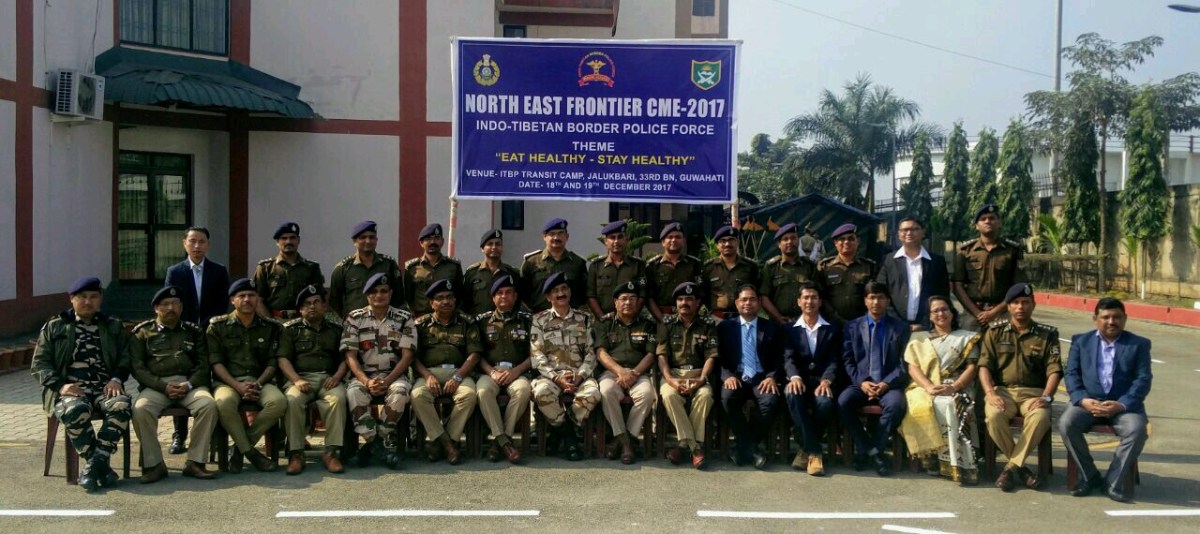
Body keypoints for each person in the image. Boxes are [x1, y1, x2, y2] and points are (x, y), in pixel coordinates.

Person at [31, 277, 133, 492]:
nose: (88, 302)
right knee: (75, 410)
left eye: (93, 297)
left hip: (105, 388)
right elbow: (39, 365)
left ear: (100, 299)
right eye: (82, 297)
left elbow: (125, 358)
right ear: (72, 299)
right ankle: (101, 467)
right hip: (70, 390)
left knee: (122, 405)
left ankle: (92, 467)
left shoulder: (112, 325)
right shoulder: (55, 326)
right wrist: (61, 386)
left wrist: (116, 379)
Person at [1059, 297, 1152, 503]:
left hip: (1124, 407)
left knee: (1137, 429)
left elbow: (1143, 380)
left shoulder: (1139, 344)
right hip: (1088, 404)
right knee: (1066, 424)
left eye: (1117, 317)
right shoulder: (1081, 342)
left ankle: (1112, 481)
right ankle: (1089, 475)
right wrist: (1082, 400)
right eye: (1106, 317)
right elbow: (1071, 374)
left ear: (1125, 318)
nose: (1111, 322)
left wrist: (1121, 404)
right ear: (1095, 319)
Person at [977, 283, 1061, 492]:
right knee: (993, 416)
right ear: (1008, 307)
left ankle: (1010, 468)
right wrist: (990, 393)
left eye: (1025, 302)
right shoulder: (994, 332)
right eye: (1015, 303)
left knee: (1040, 417)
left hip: (1034, 394)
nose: (1020, 307)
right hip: (1003, 392)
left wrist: (1046, 397)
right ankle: (1021, 469)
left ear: (1033, 305)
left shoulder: (1047, 334)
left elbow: (1054, 370)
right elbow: (984, 366)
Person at [130, 286, 218, 483]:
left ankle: (195, 462)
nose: (171, 308)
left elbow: (203, 365)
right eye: (165, 304)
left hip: (190, 384)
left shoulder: (193, 331)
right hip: (157, 386)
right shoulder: (142, 332)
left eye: (175, 304)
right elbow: (138, 368)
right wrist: (163, 387)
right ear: (156, 308)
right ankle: (155, 465)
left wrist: (189, 385)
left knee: (208, 405)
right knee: (141, 409)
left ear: (181, 307)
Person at [897, 295, 981, 486]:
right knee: (919, 405)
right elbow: (913, 367)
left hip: (958, 385)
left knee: (952, 404)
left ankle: (960, 464)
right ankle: (931, 459)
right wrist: (928, 386)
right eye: (935, 311)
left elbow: (972, 367)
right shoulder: (919, 339)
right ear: (929, 316)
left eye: (944, 309)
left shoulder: (966, 337)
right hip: (927, 385)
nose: (941, 314)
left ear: (952, 312)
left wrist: (954, 387)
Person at [163, 226, 230, 454]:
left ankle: (214, 434)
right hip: (183, 333)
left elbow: (222, 304)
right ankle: (179, 434)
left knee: (212, 380)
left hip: (211, 332)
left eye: (201, 241)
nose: (197, 246)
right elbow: (170, 305)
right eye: (192, 241)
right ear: (184, 243)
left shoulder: (218, 271)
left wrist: (206, 326)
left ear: (208, 245)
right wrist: (188, 327)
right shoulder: (175, 272)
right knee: (182, 377)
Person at [208, 278, 285, 474]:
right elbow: (216, 363)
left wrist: (257, 383)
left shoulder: (271, 327)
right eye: (241, 296)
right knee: (224, 402)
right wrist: (237, 386)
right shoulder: (218, 326)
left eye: (251, 295)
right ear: (232, 300)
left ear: (257, 299)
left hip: (260, 381)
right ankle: (251, 453)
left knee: (278, 402)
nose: (247, 300)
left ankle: (239, 449)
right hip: (228, 382)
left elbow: (272, 362)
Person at [341, 273, 415, 469]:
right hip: (363, 376)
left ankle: (371, 446)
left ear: (390, 294)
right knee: (353, 392)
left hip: (394, 375)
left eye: (383, 291)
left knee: (400, 392)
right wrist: (366, 381)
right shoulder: (355, 318)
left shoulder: (404, 318)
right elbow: (350, 356)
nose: (379, 295)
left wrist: (387, 381)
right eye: (373, 292)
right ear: (367, 296)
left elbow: (407, 356)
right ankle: (379, 447)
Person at [838, 281, 911, 477]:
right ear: (865, 301)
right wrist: (861, 382)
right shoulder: (852, 327)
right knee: (843, 402)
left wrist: (886, 383)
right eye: (871, 297)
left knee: (896, 405)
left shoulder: (901, 328)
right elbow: (848, 360)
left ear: (888, 301)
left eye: (880, 298)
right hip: (861, 383)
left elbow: (904, 363)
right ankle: (870, 448)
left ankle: (871, 450)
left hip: (889, 384)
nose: (876, 302)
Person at [530, 272, 600, 461]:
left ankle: (557, 432)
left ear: (569, 292)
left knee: (593, 393)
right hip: (551, 376)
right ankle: (569, 435)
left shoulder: (584, 318)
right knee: (541, 392)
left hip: (579, 375)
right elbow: (537, 354)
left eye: (564, 289)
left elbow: (591, 352)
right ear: (548, 297)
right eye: (556, 291)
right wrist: (556, 378)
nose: (561, 293)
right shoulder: (539, 320)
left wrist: (580, 376)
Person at [277, 285, 347, 475]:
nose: (312, 306)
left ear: (325, 306)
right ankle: (296, 454)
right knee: (292, 400)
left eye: (316, 302)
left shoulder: (336, 329)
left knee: (338, 398)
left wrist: (337, 377)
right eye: (307, 304)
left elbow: (345, 359)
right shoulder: (290, 330)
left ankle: (331, 453)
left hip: (328, 379)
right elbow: (282, 359)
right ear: (300, 309)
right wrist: (296, 380)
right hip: (300, 378)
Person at [411, 279, 481, 465]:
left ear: (455, 300)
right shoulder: (420, 325)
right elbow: (412, 357)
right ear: (431, 303)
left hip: (459, 372)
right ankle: (448, 444)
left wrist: (458, 377)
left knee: (469, 395)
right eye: (440, 298)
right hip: (429, 373)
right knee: (418, 395)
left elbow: (474, 354)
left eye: (449, 297)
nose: (446, 301)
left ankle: (441, 441)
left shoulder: (466, 322)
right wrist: (427, 376)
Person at [718, 284, 784, 469]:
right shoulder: (725, 327)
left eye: (752, 299)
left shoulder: (771, 328)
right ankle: (752, 449)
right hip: (736, 376)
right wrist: (727, 376)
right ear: (736, 303)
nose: (748, 303)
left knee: (770, 401)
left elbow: (779, 358)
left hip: (761, 377)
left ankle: (743, 448)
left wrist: (772, 377)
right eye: (744, 299)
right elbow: (717, 357)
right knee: (727, 398)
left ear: (759, 303)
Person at [656, 282, 719, 469]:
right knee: (668, 395)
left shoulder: (708, 325)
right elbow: (661, 355)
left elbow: (711, 356)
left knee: (705, 396)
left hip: (699, 374)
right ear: (676, 303)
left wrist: (702, 379)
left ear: (698, 302)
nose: (684, 303)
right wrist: (669, 379)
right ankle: (695, 447)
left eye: (689, 299)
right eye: (680, 299)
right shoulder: (666, 325)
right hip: (674, 373)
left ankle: (682, 445)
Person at [593, 281, 657, 464]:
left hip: (639, 373)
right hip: (612, 372)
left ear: (638, 302)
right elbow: (601, 353)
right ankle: (627, 443)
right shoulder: (605, 323)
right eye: (624, 299)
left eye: (632, 298)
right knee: (606, 391)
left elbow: (651, 354)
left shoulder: (647, 325)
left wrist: (634, 373)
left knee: (647, 394)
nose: (628, 302)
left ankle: (619, 441)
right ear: (615, 302)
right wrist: (620, 371)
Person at [783, 281, 839, 476]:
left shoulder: (832, 329)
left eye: (814, 297)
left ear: (820, 302)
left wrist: (826, 380)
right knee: (792, 394)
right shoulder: (789, 329)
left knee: (824, 402)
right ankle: (815, 452)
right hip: (799, 380)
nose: (809, 301)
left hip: (822, 381)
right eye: (805, 297)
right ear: (799, 302)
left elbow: (834, 360)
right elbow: (788, 358)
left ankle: (804, 449)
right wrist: (794, 377)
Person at [475, 275, 532, 464]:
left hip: (518, 371)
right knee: (483, 391)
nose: (504, 296)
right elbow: (476, 354)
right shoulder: (482, 321)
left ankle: (500, 440)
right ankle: (505, 442)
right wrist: (492, 372)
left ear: (515, 296)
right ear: (493, 298)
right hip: (490, 372)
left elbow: (536, 354)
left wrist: (516, 371)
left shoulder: (527, 320)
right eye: (499, 293)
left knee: (523, 390)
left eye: (508, 292)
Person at [953, 204, 1027, 331]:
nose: (987, 221)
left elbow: (1019, 286)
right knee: (969, 343)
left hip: (1002, 312)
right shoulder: (965, 251)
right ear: (977, 225)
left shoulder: (1013, 250)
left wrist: (994, 312)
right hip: (972, 313)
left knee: (1004, 343)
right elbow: (957, 285)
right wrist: (977, 312)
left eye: (992, 218)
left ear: (999, 223)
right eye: (983, 219)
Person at [876, 216, 950, 332]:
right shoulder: (888, 260)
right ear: (899, 234)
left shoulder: (936, 261)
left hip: (928, 327)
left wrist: (925, 323)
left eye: (914, 229)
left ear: (923, 232)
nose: (909, 233)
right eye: (905, 230)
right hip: (894, 327)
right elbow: (881, 292)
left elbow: (942, 294)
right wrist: (899, 324)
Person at [329, 220, 405, 317]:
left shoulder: (389, 264)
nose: (368, 241)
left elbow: (398, 299)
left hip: (384, 322)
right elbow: (334, 303)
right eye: (363, 237)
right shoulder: (343, 268)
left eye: (371, 237)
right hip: (354, 324)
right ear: (354, 241)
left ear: (376, 240)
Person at [253, 222, 324, 320]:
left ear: (298, 240)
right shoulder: (265, 268)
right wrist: (270, 323)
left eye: (292, 238)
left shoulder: (311, 268)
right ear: (277, 242)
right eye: (284, 238)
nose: (288, 241)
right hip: (275, 320)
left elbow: (319, 298)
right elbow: (258, 300)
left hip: (303, 321)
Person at [519, 218, 588, 313]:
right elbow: (521, 292)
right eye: (552, 234)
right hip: (539, 317)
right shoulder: (531, 262)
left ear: (567, 236)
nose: (556, 237)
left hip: (570, 318)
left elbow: (584, 294)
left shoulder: (577, 263)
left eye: (560, 233)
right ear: (544, 237)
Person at [760, 223, 822, 325]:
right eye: (785, 239)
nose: (790, 241)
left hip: (805, 323)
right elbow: (764, 297)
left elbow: (818, 295)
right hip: (778, 323)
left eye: (793, 238)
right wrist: (779, 318)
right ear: (779, 244)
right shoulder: (771, 267)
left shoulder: (809, 266)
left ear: (798, 241)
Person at [645, 222, 705, 322]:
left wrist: (690, 317)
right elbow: (649, 297)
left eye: (678, 237)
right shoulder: (652, 266)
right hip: (660, 317)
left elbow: (701, 294)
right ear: (663, 242)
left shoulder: (695, 264)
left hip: (688, 317)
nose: (674, 240)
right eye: (670, 237)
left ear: (684, 241)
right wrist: (661, 319)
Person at [587, 220, 647, 317]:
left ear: (626, 240)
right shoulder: (596, 266)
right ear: (605, 241)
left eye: (620, 237)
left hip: (631, 320)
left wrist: (631, 317)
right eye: (612, 237)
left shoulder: (638, 265)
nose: (616, 241)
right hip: (603, 320)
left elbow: (642, 294)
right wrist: (602, 318)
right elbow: (591, 295)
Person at [817, 223, 875, 325]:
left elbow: (874, 295)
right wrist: (835, 318)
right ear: (835, 243)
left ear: (858, 241)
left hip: (862, 323)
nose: (846, 242)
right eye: (842, 239)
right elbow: (820, 296)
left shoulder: (869, 266)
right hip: (831, 323)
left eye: (851, 238)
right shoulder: (824, 267)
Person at [404, 223, 464, 316]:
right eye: (428, 239)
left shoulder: (453, 266)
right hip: (421, 318)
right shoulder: (412, 268)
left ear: (442, 241)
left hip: (447, 318)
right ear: (421, 243)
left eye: (437, 238)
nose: (433, 242)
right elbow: (408, 297)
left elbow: (459, 295)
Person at [702, 225, 760, 320]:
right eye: (723, 241)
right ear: (717, 245)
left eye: (731, 240)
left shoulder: (750, 266)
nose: (727, 244)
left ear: (737, 242)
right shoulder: (709, 268)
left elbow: (757, 293)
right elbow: (704, 294)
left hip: (743, 317)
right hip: (717, 317)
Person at [462, 229, 521, 316]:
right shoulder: (472, 273)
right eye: (490, 244)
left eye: (498, 244)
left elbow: (518, 301)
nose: (494, 247)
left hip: (504, 322)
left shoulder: (512, 273)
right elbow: (465, 302)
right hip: (478, 323)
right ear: (482, 248)